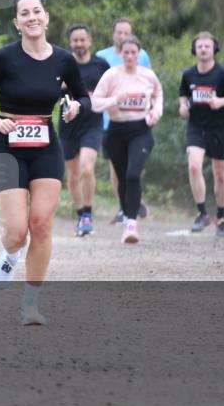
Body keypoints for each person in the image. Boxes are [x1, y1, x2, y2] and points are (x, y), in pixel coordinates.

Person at [0, 0, 88, 325]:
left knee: (41, 223)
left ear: (46, 16)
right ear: (17, 22)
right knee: (16, 231)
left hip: (46, 147)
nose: (32, 17)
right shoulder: (5, 58)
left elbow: (82, 96)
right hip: (7, 147)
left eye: (36, 11)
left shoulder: (64, 60)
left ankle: (31, 304)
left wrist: (77, 106)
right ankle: (10, 257)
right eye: (25, 13)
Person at [91, 36, 163, 244]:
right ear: (120, 54)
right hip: (115, 131)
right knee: (123, 178)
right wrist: (115, 100)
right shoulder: (111, 75)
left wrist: (156, 112)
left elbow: (158, 95)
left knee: (133, 175)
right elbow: (95, 103)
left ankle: (131, 223)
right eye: (126, 52)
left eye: (134, 52)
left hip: (141, 130)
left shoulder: (148, 76)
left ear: (139, 54)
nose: (130, 56)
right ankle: (127, 216)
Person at [178, 31, 224, 237]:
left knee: (220, 174)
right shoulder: (188, 74)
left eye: (207, 46)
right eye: (200, 46)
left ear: (214, 49)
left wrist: (221, 102)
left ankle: (221, 216)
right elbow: (183, 95)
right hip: (196, 126)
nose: (203, 49)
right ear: (194, 50)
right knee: (193, 166)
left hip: (220, 127)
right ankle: (202, 213)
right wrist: (183, 106)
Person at [95, 19, 152, 225]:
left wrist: (151, 112)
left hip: (136, 119)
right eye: (118, 32)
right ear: (113, 34)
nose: (121, 36)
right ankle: (123, 205)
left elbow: (149, 85)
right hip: (108, 120)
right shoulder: (101, 57)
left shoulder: (142, 56)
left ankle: (133, 199)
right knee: (115, 164)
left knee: (133, 166)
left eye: (125, 32)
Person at [58, 24, 111, 236]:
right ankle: (80, 214)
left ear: (89, 41)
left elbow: (111, 89)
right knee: (73, 175)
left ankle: (88, 214)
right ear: (70, 43)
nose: (79, 44)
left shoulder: (101, 65)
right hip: (68, 125)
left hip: (92, 124)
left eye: (82, 40)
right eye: (75, 40)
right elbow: (49, 92)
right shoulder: (63, 64)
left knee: (87, 168)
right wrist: (59, 87)